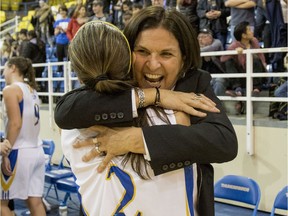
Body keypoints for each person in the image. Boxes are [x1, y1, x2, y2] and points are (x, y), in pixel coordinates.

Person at [55, 6, 238, 215]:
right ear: (127, 54)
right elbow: (65, 112)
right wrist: (153, 96)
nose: (153, 64)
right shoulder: (110, 95)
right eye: (142, 52)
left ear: (184, 59)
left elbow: (225, 142)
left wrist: (139, 139)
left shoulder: (194, 84)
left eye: (166, 54)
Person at [0, 57, 46, 215]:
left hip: (19, 151)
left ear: (12, 68)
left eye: (4, 69)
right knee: (36, 203)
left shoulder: (10, 90)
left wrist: (6, 152)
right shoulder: (31, 90)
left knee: (2, 204)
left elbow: (15, 124)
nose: (3, 73)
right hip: (37, 150)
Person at [198, 28, 227, 96]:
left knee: (219, 82)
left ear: (210, 38)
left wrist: (199, 50)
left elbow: (211, 48)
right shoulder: (196, 47)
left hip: (218, 75)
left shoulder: (217, 43)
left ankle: (216, 105)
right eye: (199, 37)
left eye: (204, 37)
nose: (200, 39)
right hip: (203, 76)